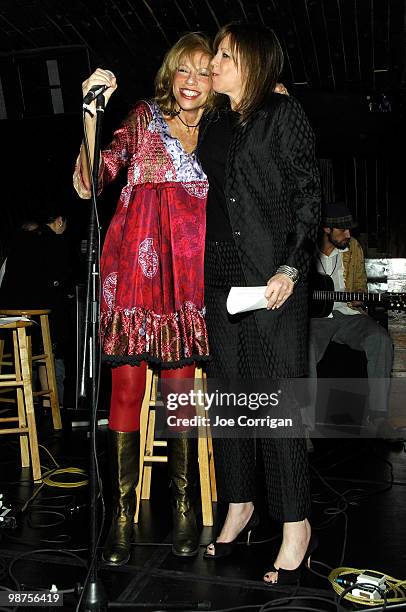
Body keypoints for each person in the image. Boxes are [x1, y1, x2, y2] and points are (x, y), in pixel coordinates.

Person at [73, 33, 216, 565]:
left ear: (215, 82)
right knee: (127, 389)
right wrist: (91, 111)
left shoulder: (223, 132)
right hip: (133, 274)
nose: (190, 82)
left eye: (203, 72)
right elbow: (92, 180)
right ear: (170, 74)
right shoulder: (143, 118)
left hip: (187, 281)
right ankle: (122, 517)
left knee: (178, 396)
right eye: (183, 70)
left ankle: (182, 509)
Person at [197, 23, 321, 584]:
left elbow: (306, 195)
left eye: (225, 54)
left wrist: (291, 265)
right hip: (220, 276)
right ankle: (240, 503)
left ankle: (296, 526)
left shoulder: (281, 113)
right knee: (229, 403)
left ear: (252, 61)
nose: (215, 62)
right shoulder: (215, 124)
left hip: (274, 277)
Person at [308, 201, 394, 424]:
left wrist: (359, 297)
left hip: (348, 314)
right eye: (342, 229)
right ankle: (305, 424)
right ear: (326, 229)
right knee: (305, 349)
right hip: (316, 319)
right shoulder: (306, 250)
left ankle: (378, 417)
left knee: (380, 339)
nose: (348, 234)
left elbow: (360, 286)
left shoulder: (353, 248)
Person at [0, 204, 75, 405]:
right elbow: (60, 278)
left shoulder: (19, 238)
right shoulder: (53, 240)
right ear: (59, 221)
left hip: (9, 315)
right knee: (51, 353)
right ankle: (53, 409)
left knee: (32, 355)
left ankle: (26, 406)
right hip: (39, 316)